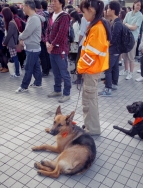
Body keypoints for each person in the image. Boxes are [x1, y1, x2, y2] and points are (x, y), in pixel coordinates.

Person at [78, 0, 111, 135]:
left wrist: (79, 68)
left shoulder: (97, 28)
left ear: (91, 10)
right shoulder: (98, 25)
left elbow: (90, 55)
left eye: (84, 12)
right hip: (92, 69)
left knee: (89, 100)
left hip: (90, 69)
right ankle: (90, 125)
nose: (83, 15)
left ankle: (92, 129)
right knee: (91, 99)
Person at [15, 0, 45, 93]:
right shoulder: (32, 17)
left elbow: (27, 33)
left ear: (27, 6)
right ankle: (38, 83)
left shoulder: (33, 19)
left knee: (28, 68)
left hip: (32, 48)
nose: (22, 8)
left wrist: (20, 36)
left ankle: (24, 86)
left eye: (23, 6)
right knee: (35, 66)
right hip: (33, 47)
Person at [45, 0, 72, 103]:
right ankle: (57, 90)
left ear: (61, 3)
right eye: (52, 1)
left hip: (60, 50)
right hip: (52, 49)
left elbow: (62, 33)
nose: (53, 3)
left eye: (55, 1)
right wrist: (47, 42)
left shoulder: (64, 16)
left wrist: (52, 45)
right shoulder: (52, 15)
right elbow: (47, 30)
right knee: (56, 72)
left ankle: (67, 93)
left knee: (64, 73)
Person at [98, 1, 122, 96]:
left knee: (108, 69)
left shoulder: (117, 24)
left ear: (113, 10)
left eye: (108, 9)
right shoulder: (116, 22)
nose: (106, 10)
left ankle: (108, 89)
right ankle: (114, 84)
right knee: (115, 67)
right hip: (116, 51)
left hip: (113, 50)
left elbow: (113, 41)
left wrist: (104, 45)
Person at [120, 0, 143, 80]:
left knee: (131, 57)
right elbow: (123, 23)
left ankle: (131, 73)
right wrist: (128, 25)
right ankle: (126, 70)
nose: (138, 7)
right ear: (134, 4)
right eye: (137, 5)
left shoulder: (140, 15)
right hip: (125, 37)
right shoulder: (128, 13)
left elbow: (134, 28)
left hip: (133, 39)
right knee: (125, 55)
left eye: (140, 6)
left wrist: (127, 25)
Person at [2, 7, 20, 77]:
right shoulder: (11, 21)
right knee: (14, 57)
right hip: (12, 43)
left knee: (15, 58)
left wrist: (5, 43)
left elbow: (9, 35)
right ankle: (16, 72)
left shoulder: (10, 23)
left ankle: (17, 73)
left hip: (12, 44)